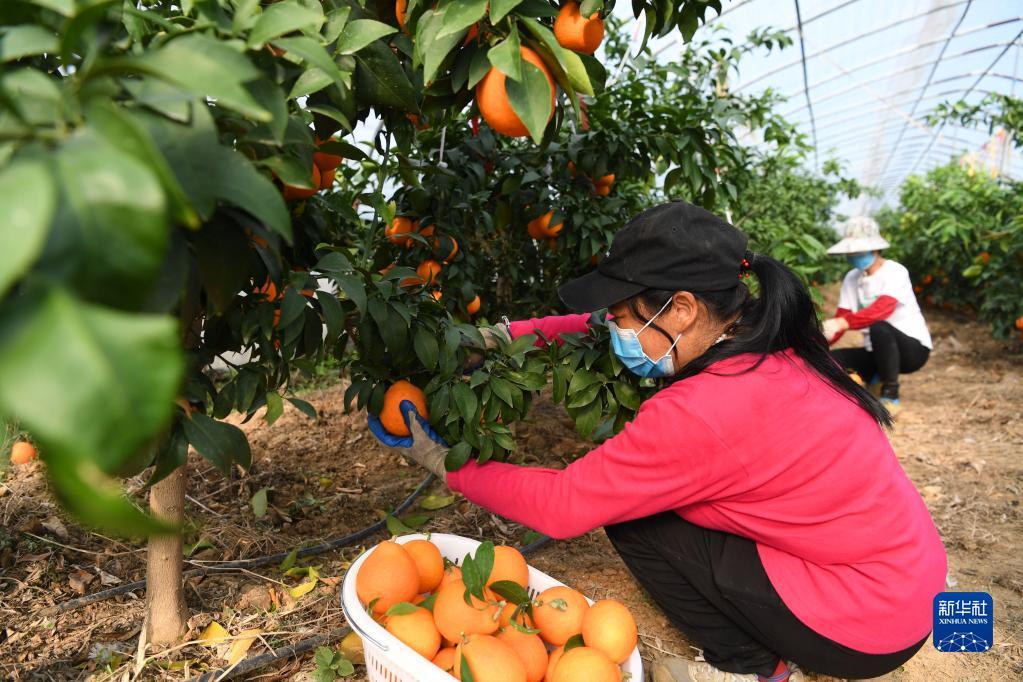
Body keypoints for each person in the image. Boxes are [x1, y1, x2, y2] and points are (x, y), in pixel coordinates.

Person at [369, 201, 947, 682]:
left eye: (622, 315)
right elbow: (595, 328)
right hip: (906, 576)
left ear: (683, 308)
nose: (613, 328)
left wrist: (445, 464)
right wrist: (503, 339)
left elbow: (564, 505)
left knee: (633, 517)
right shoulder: (768, 335)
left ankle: (749, 667)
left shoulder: (705, 410)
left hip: (867, 624)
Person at [821, 216, 932, 412]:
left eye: (858, 251)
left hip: (912, 350)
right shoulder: (852, 278)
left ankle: (890, 394)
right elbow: (842, 316)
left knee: (879, 327)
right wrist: (818, 342)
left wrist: (842, 323)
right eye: (851, 252)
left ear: (874, 248)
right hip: (877, 352)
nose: (854, 255)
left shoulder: (895, 272)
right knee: (830, 360)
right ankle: (873, 380)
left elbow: (882, 309)